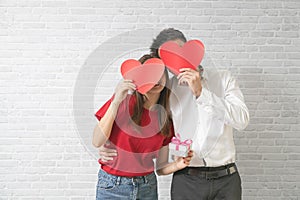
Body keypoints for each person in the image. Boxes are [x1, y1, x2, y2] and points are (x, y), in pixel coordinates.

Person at [99, 28, 250, 200]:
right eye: (169, 58)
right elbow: (141, 124)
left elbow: (242, 120)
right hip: (187, 180)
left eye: (179, 51)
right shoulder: (165, 91)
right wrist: (110, 145)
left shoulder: (224, 79)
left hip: (227, 179)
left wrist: (201, 93)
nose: (178, 61)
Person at [93, 54, 193, 200]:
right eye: (149, 75)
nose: (156, 79)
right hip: (113, 186)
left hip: (147, 186)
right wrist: (116, 100)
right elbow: (97, 141)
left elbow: (161, 167)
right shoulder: (123, 103)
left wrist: (178, 164)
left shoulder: (165, 119)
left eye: (160, 74)